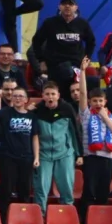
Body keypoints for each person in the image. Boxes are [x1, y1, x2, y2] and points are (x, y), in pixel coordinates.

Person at [0, 84, 39, 221]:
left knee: (25, 190)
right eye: (15, 96)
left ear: (26, 100)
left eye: (20, 96)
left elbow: (34, 137)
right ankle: (3, 219)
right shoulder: (5, 112)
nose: (17, 98)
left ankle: (24, 219)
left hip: (27, 157)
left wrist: (36, 157)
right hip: (8, 157)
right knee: (6, 189)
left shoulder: (32, 116)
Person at [33, 80, 81, 210]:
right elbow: (32, 135)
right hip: (43, 154)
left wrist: (79, 154)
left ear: (58, 95)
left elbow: (75, 131)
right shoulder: (37, 110)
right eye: (47, 94)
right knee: (41, 187)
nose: (50, 97)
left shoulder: (67, 108)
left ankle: (67, 213)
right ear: (43, 96)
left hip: (64, 153)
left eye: (53, 94)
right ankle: (40, 215)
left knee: (66, 186)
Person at [76, 85, 112, 218]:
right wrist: (83, 71)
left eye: (100, 101)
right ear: (90, 102)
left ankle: (99, 220)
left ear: (105, 102)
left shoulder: (110, 116)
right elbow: (83, 93)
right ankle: (85, 221)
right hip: (91, 157)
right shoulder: (86, 114)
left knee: (103, 192)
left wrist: (105, 117)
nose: (98, 103)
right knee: (89, 191)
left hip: (107, 158)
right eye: (95, 101)